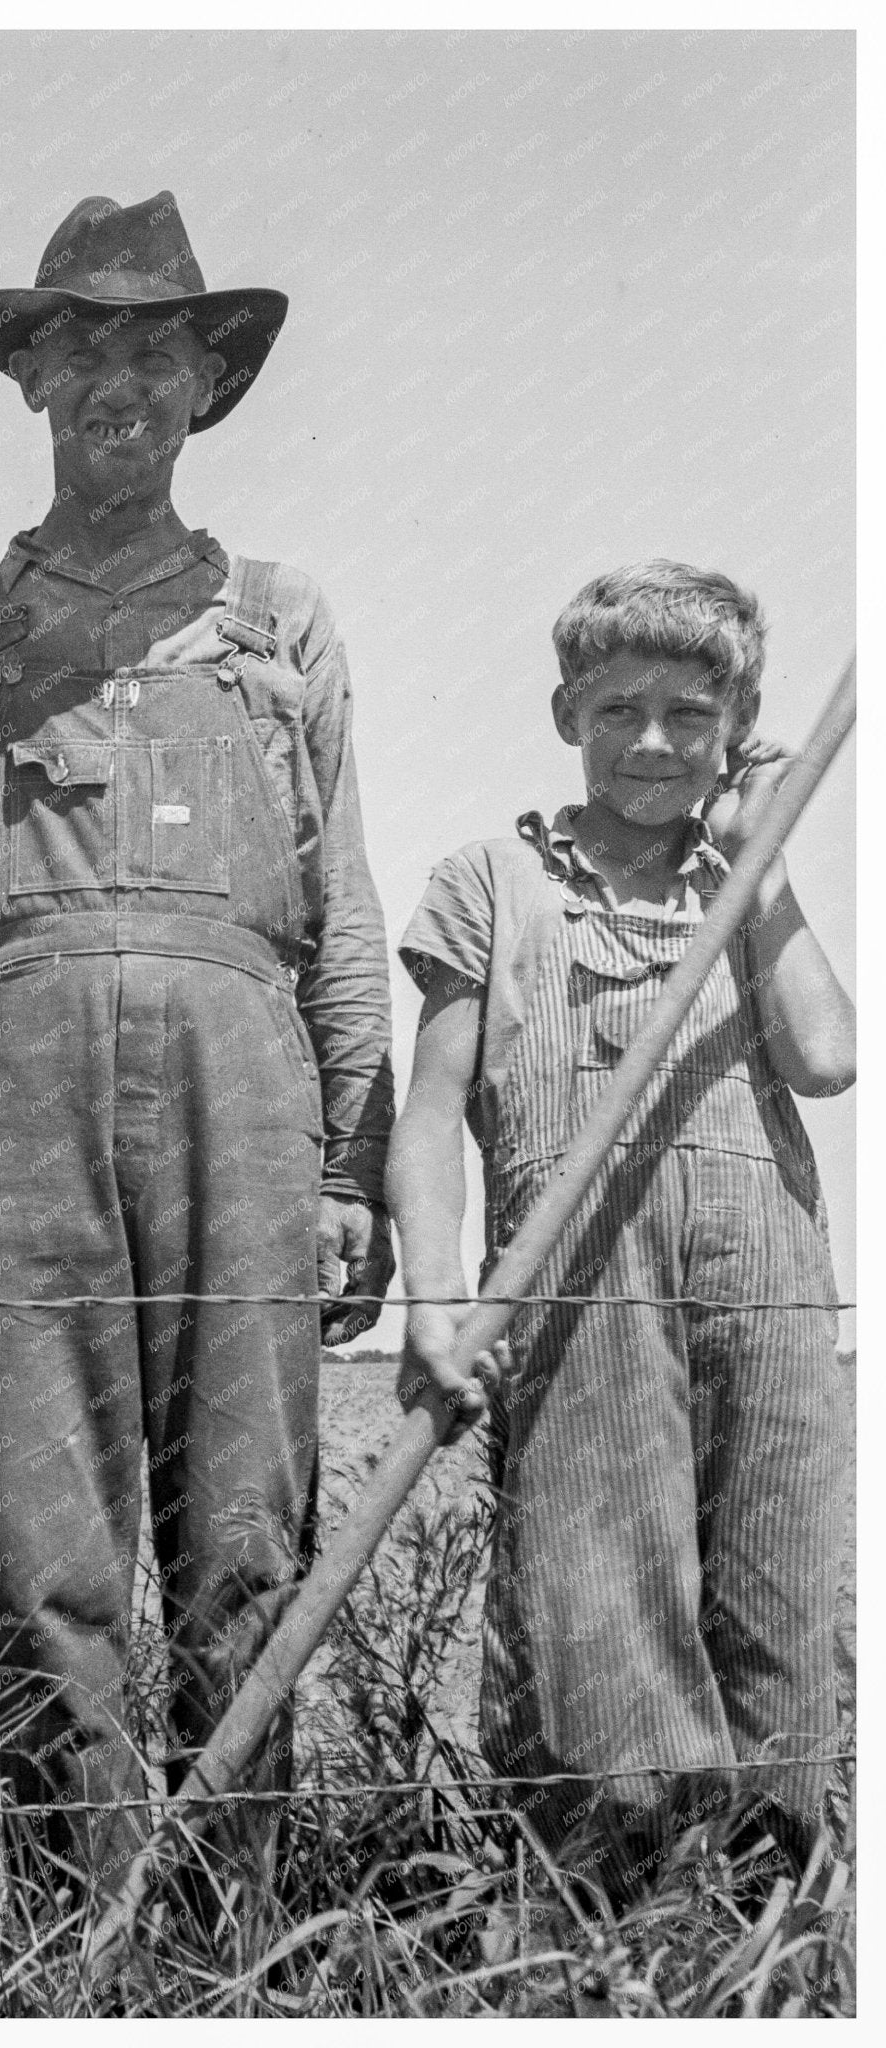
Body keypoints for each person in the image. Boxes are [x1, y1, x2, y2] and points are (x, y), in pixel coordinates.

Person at [0, 193, 396, 1908]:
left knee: (243, 1531)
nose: (119, 382)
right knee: (41, 1530)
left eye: (156, 350)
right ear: (31, 384)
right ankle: (74, 1926)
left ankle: (230, 1928)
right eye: (83, 353)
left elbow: (340, 901)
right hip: (12, 1080)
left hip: (244, 1073)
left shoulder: (280, 617)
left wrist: (353, 1155)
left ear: (204, 384)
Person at [388, 560, 855, 1892]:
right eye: (618, 710)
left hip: (765, 1296)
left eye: (690, 717)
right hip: (580, 1296)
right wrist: (433, 1299)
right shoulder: (489, 879)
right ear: (565, 716)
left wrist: (755, 867)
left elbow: (826, 1061)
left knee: (782, 1615)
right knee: (603, 1641)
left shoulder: (743, 892)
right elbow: (429, 1118)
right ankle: (602, 1943)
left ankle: (779, 1938)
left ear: (738, 729)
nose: (652, 743)